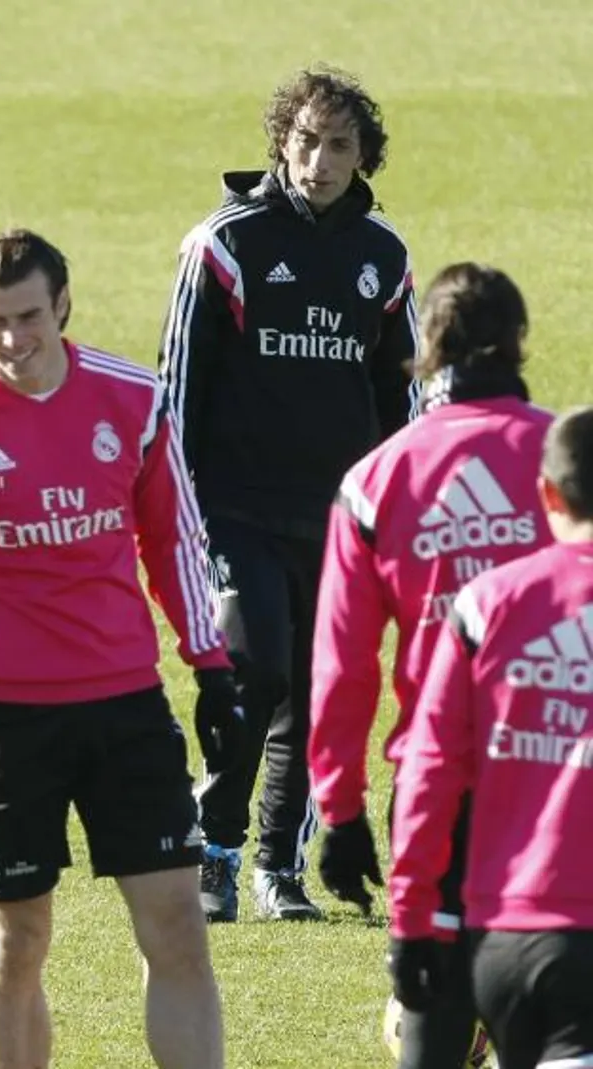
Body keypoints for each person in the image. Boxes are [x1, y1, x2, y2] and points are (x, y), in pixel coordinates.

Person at [0, 230, 235, 1069]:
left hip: (127, 709)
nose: (12, 338)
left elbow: (174, 539)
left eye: (28, 316)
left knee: (178, 924)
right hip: (8, 721)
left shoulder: (135, 402)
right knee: (17, 938)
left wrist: (211, 666)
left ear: (63, 304)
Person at [157, 65, 420, 922]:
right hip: (233, 507)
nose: (319, 159)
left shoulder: (385, 257)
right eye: (305, 140)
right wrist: (181, 514)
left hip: (337, 519)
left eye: (339, 144)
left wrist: (393, 513)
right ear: (282, 139)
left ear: (362, 155)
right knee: (251, 668)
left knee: (319, 691)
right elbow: (178, 391)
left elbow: (401, 400)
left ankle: (279, 866)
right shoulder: (224, 244)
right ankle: (217, 848)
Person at [308, 263, 551, 1068]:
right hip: (559, 783)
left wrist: (339, 810)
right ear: (518, 343)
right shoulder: (568, 462)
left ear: (428, 350)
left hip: (437, 792)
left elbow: (343, 664)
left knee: (433, 1029)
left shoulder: (376, 480)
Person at [389, 407, 593, 1069]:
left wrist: (414, 917)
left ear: (547, 496)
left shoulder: (487, 602)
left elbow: (430, 768)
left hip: (506, 940)